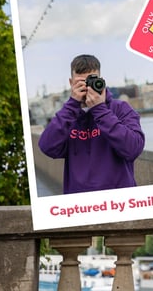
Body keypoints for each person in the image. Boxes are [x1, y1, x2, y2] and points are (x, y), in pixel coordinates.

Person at [38, 54, 145, 194]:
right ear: (71, 83)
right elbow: (47, 146)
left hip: (119, 201)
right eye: (81, 83)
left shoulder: (120, 109)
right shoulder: (68, 117)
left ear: (100, 81)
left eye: (91, 81)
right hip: (80, 205)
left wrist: (100, 110)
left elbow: (134, 148)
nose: (88, 88)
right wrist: (72, 105)